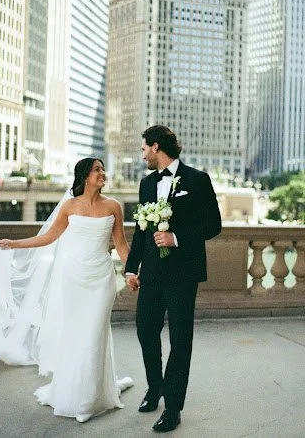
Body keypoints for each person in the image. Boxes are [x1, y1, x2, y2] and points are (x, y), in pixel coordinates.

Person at [0, 158, 133, 423]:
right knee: (77, 336)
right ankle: (76, 394)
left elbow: (120, 244)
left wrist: (131, 272)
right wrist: (14, 244)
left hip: (101, 279)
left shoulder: (113, 206)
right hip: (73, 278)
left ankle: (90, 399)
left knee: (95, 334)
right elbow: (48, 237)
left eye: (103, 169)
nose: (103, 173)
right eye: (97, 169)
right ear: (85, 176)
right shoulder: (69, 206)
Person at [125, 125, 221, 433]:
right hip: (151, 272)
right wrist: (131, 267)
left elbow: (213, 225)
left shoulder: (197, 180)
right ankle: (155, 389)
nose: (142, 156)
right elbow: (141, 231)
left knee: (181, 341)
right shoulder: (145, 184)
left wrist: (176, 238)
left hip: (183, 274)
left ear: (155, 148)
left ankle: (173, 408)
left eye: (143, 150)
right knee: (145, 330)